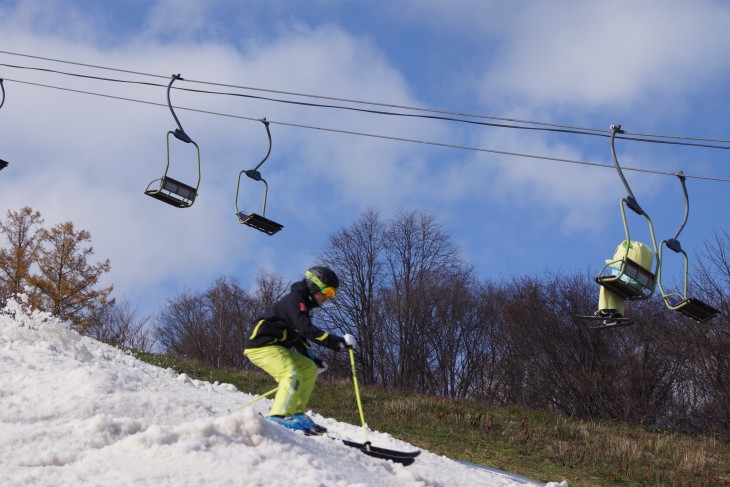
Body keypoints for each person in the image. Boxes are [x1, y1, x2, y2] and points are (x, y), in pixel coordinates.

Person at [243, 265, 356, 434]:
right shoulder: (295, 300)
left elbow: (299, 337)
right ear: (315, 285)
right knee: (291, 373)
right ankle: (279, 416)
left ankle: (295, 413)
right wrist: (336, 342)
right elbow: (306, 329)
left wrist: (313, 358)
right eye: (328, 291)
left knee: (308, 368)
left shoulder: (304, 305)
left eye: (333, 293)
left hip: (276, 347)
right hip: (261, 345)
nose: (328, 297)